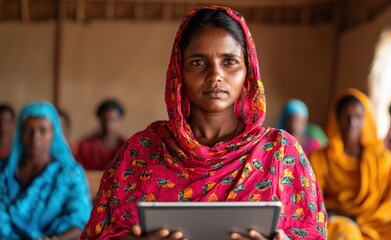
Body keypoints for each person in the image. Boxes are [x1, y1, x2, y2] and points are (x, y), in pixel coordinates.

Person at [82, 6, 327, 240]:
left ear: (248, 71)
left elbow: (313, 233)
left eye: (229, 61)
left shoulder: (281, 152)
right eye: (198, 62)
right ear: (178, 71)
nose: (215, 75)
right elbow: (98, 233)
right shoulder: (142, 151)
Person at [309, 88, 391, 240]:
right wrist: (340, 213)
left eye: (358, 117)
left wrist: (369, 217)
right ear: (336, 120)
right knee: (345, 235)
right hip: (341, 219)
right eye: (346, 117)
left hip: (380, 221)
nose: (352, 123)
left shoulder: (383, 159)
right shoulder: (320, 159)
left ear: (366, 119)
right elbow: (312, 200)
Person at [0, 101, 92, 239]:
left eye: (43, 130)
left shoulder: (70, 173)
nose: (35, 137)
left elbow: (80, 220)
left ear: (54, 133)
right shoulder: (4, 169)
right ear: (19, 132)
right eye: (27, 130)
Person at [77, 99, 126, 170]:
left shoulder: (125, 147)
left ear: (120, 120)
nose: (108, 124)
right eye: (105, 119)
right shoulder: (86, 146)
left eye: (112, 119)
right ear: (99, 119)